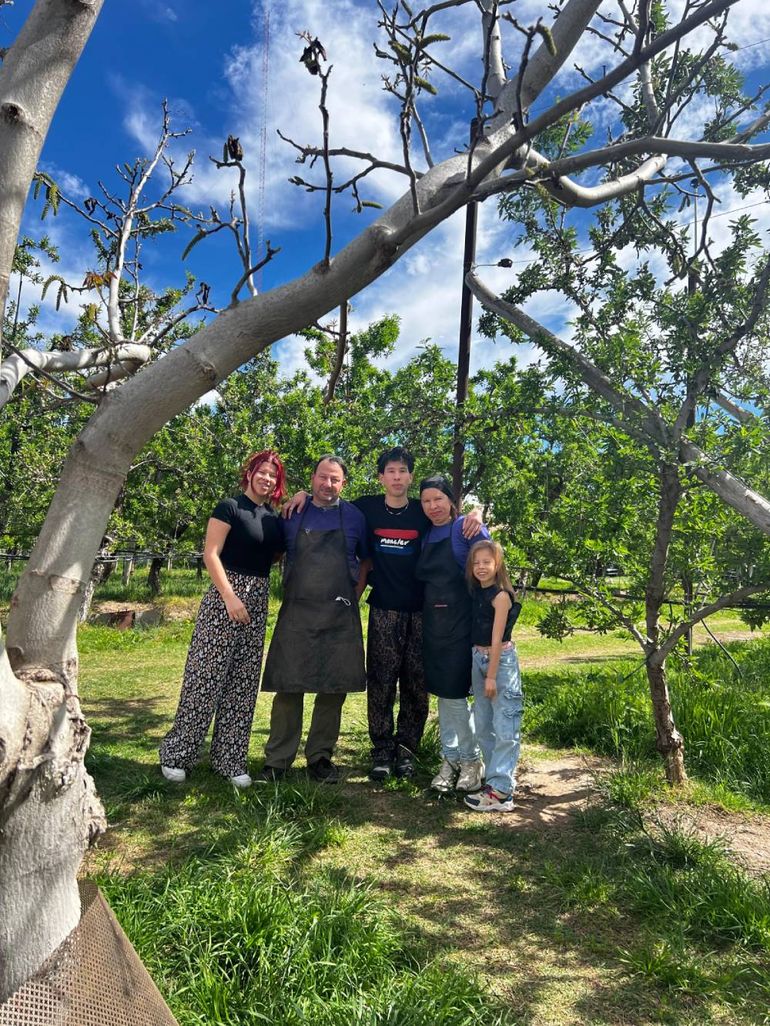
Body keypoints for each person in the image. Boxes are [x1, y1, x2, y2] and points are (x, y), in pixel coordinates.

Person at [284, 447, 483, 781]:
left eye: (403, 471)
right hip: (384, 610)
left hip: (423, 612)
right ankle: (381, 752)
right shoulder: (366, 509)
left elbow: (451, 516)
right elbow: (331, 501)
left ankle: (407, 751)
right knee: (380, 683)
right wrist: (303, 493)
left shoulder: (423, 512)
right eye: (390, 471)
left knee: (416, 686)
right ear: (381, 477)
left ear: (410, 477)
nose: (396, 477)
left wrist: (475, 513)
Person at [159, 450, 287, 788]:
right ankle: (176, 754)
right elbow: (210, 553)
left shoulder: (273, 518)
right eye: (262, 472)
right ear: (249, 474)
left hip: (257, 601)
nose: (267, 478)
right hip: (224, 596)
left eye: (273, 475)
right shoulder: (230, 507)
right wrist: (230, 596)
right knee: (205, 678)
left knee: (242, 684)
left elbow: (274, 555)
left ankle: (229, 759)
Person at [259, 455, 368, 783]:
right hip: (297, 612)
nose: (328, 485)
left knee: (333, 690)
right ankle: (277, 760)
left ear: (343, 483)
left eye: (335, 479)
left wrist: (354, 596)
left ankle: (320, 757)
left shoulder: (355, 517)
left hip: (339, 614)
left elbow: (366, 562)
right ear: (312, 478)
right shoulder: (292, 513)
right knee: (288, 688)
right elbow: (275, 554)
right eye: (323, 477)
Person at [416, 475, 491, 794]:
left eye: (438, 499)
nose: (433, 506)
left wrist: (492, 631)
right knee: (444, 696)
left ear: (450, 500)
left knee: (455, 697)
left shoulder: (467, 529)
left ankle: (472, 762)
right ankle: (450, 760)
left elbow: (492, 575)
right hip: (432, 625)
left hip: (461, 625)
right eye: (426, 501)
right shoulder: (426, 534)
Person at [462, 540, 523, 812]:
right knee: (483, 722)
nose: (481, 567)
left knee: (504, 724)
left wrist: (491, 676)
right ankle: (496, 779)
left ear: (498, 564)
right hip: (478, 657)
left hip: (499, 662)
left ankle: (501, 793)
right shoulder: (477, 591)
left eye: (486, 562)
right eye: (476, 563)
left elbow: (497, 639)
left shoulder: (501, 596)